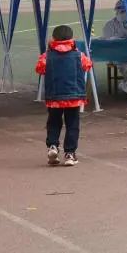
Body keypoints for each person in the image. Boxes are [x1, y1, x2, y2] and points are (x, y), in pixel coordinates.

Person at [37, 24, 92, 167]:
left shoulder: (47, 55)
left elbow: (40, 68)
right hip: (74, 96)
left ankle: (53, 145)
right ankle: (70, 153)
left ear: (53, 38)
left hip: (54, 97)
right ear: (71, 38)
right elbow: (88, 65)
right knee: (72, 124)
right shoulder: (79, 55)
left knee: (54, 121)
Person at [99, 0, 127, 97]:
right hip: (117, 55)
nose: (123, 14)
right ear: (116, 12)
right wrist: (117, 39)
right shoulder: (109, 25)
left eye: (125, 11)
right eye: (121, 11)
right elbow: (107, 42)